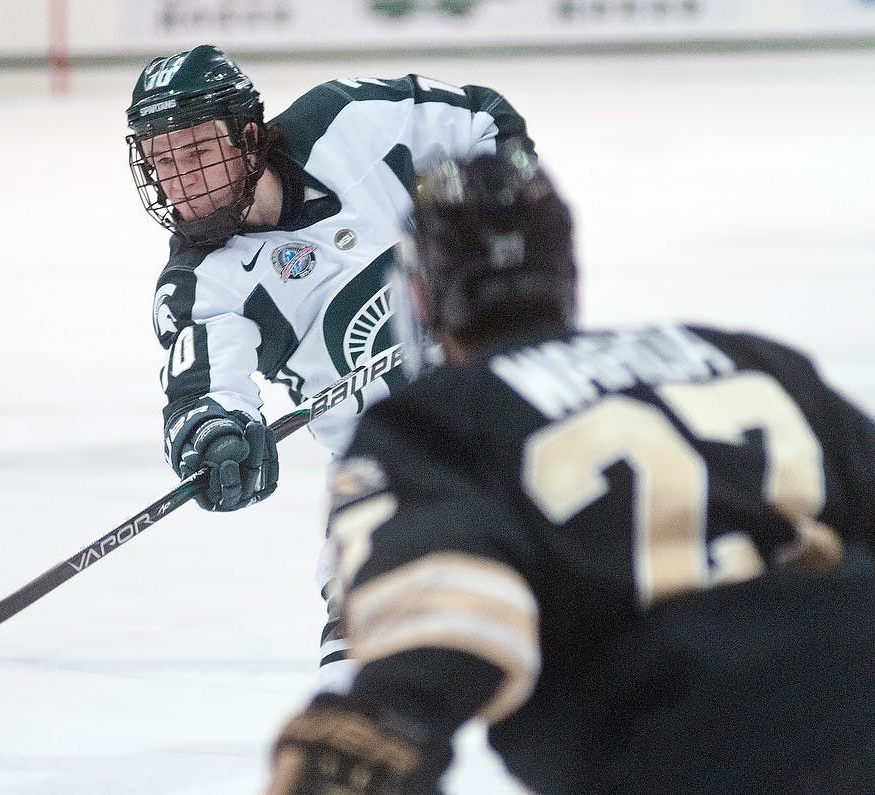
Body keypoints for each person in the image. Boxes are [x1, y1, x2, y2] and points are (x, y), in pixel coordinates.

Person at [263, 146, 875, 794]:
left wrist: (363, 730)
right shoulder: (743, 356)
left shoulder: (437, 421)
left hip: (697, 754)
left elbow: (446, 632)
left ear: (423, 290)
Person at [125, 45, 536, 690]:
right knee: (359, 685)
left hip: (513, 406)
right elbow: (207, 391)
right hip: (394, 472)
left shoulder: (349, 120)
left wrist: (490, 229)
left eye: (198, 152)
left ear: (249, 136)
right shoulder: (203, 282)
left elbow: (483, 121)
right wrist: (217, 436)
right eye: (162, 161)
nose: (181, 179)